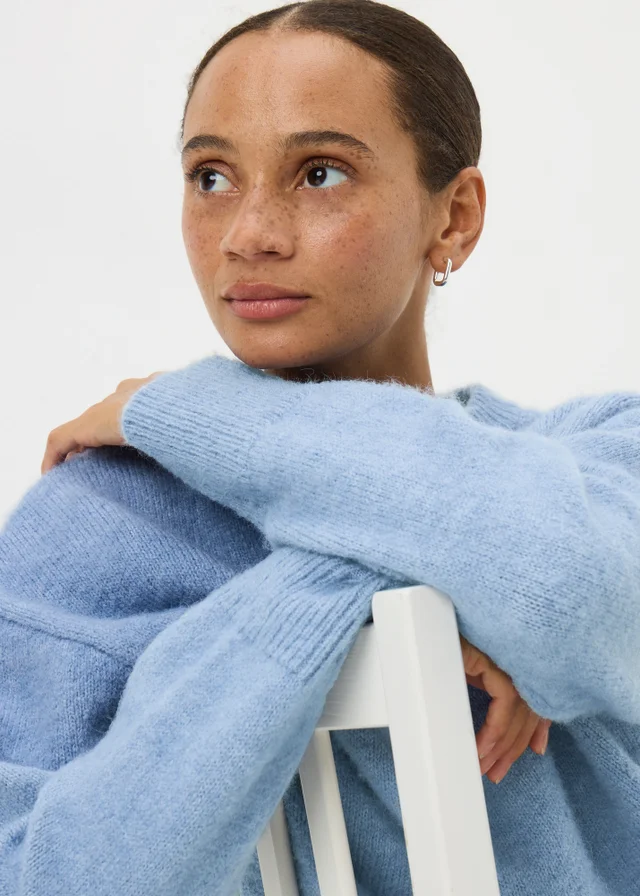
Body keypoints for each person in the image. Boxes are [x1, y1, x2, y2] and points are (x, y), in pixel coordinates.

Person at [2, 1, 640, 894]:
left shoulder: (601, 457)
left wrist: (193, 412)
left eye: (320, 172)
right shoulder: (93, 521)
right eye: (212, 177)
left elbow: (575, 591)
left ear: (453, 217)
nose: (248, 233)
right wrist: (370, 581)